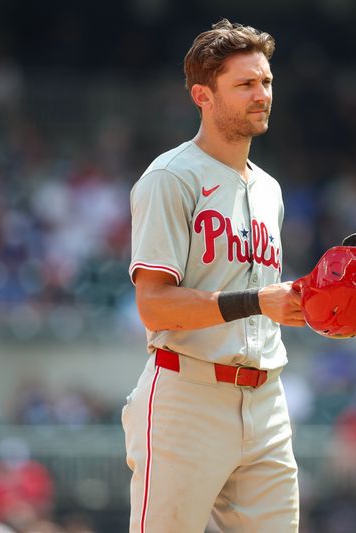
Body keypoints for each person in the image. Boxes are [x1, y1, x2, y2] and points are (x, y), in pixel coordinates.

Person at [122, 19, 305, 533]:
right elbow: (154, 305)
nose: (262, 94)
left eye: (266, 81)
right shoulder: (170, 177)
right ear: (203, 95)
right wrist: (257, 302)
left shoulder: (269, 189)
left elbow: (260, 300)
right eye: (244, 84)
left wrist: (304, 303)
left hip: (266, 397)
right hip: (189, 394)